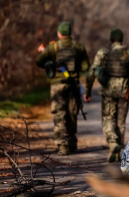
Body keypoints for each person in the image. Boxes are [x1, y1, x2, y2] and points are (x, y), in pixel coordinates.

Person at [85, 28, 129, 163]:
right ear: (121, 39)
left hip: (108, 90)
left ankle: (112, 142)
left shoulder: (103, 52)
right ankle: (118, 150)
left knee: (108, 118)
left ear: (110, 39)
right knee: (121, 121)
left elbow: (92, 71)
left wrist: (88, 90)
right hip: (124, 90)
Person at [36, 21, 90, 155]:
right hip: (73, 84)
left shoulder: (52, 48)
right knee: (72, 114)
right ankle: (71, 143)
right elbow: (85, 67)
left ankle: (62, 145)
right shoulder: (78, 48)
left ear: (59, 33)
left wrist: (50, 65)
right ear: (70, 33)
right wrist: (75, 67)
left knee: (59, 114)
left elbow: (39, 61)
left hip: (57, 85)